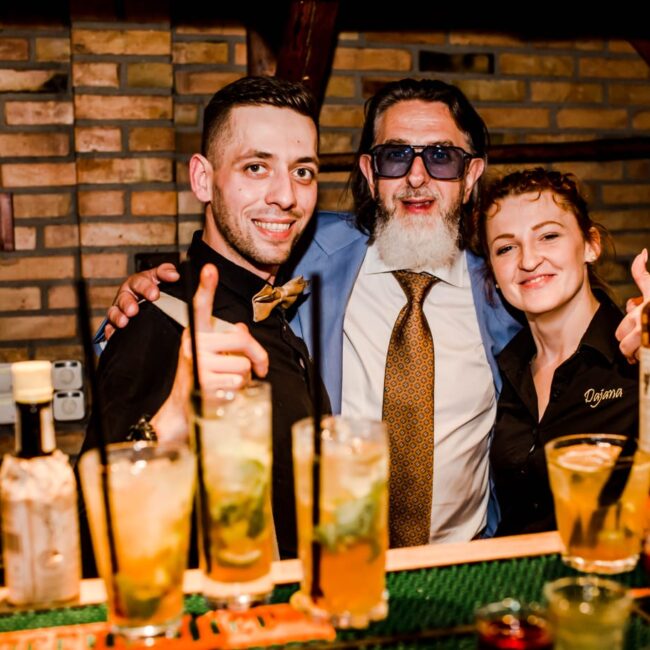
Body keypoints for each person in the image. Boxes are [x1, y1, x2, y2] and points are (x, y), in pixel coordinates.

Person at [103, 78, 522, 545]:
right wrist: (145, 308)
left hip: (462, 563)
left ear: (471, 175)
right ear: (370, 173)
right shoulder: (307, 250)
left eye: (442, 157)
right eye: (396, 156)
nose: (417, 176)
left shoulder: (509, 289)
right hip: (329, 560)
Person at [82, 75, 329, 561]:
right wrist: (172, 420)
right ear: (202, 179)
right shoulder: (159, 321)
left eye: (303, 172)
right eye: (256, 167)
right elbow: (91, 534)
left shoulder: (272, 307)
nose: (287, 196)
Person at [477, 168, 638, 536]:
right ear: (493, 272)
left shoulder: (635, 358)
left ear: (591, 245)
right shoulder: (503, 369)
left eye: (548, 236)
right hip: (514, 569)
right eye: (506, 248)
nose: (528, 260)